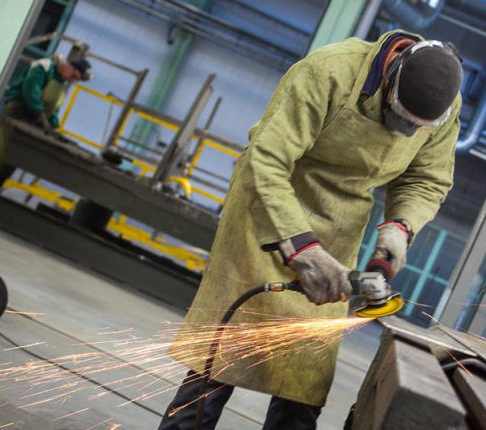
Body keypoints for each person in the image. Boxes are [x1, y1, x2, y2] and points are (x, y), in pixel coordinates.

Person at [158, 29, 463, 430]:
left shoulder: (446, 106)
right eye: (398, 117)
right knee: (225, 357)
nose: (401, 132)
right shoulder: (330, 71)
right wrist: (300, 246)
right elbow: (267, 159)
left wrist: (400, 225)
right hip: (268, 211)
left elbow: (425, 178)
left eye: (415, 127)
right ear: (391, 75)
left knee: (305, 375)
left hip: (340, 225)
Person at [0, 56, 92, 215]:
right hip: (17, 113)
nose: (71, 80)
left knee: (12, 160)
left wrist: (53, 125)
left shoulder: (61, 83)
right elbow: (31, 90)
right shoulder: (43, 68)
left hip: (34, 120)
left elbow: (54, 108)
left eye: (75, 80)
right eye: (73, 75)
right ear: (69, 65)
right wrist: (40, 114)